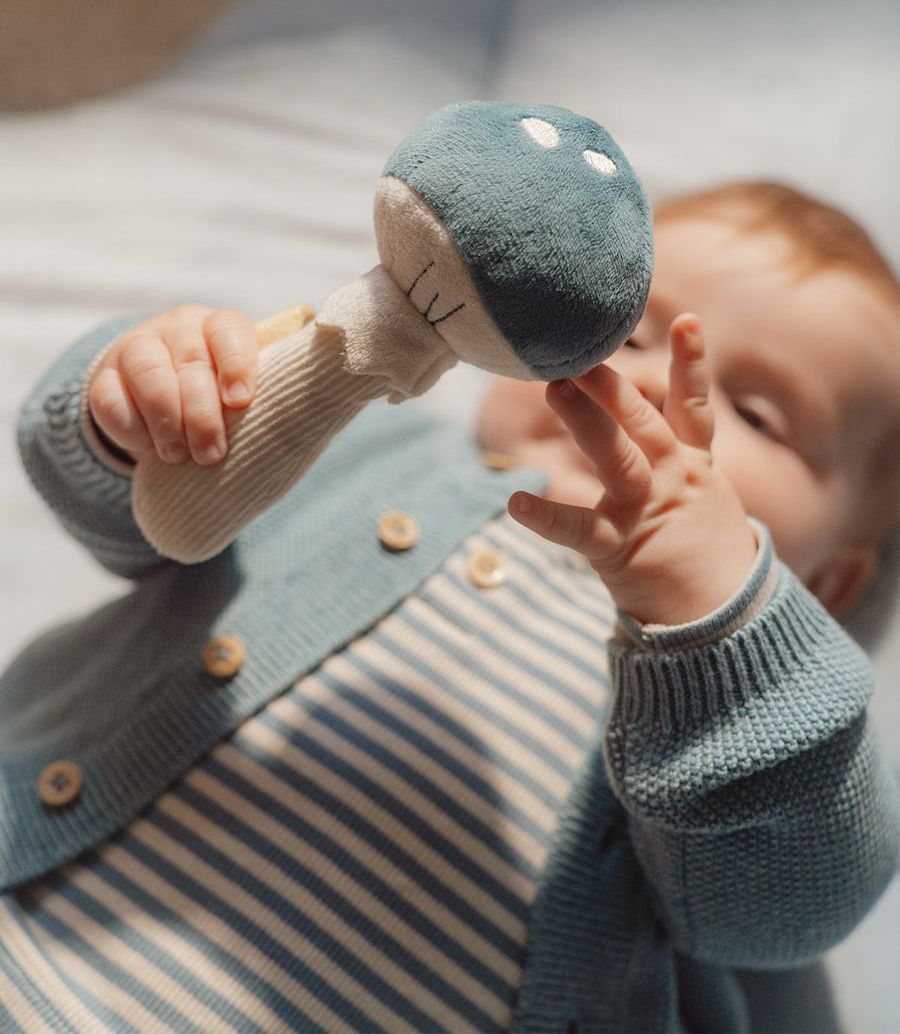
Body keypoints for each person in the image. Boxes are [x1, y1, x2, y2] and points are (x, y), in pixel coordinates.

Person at [1, 181, 898, 1033]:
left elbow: (782, 911)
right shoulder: (366, 439)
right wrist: (145, 410)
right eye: (622, 332)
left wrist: (724, 630)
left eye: (753, 412)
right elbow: (147, 518)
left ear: (830, 583)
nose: (654, 389)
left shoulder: (765, 718)